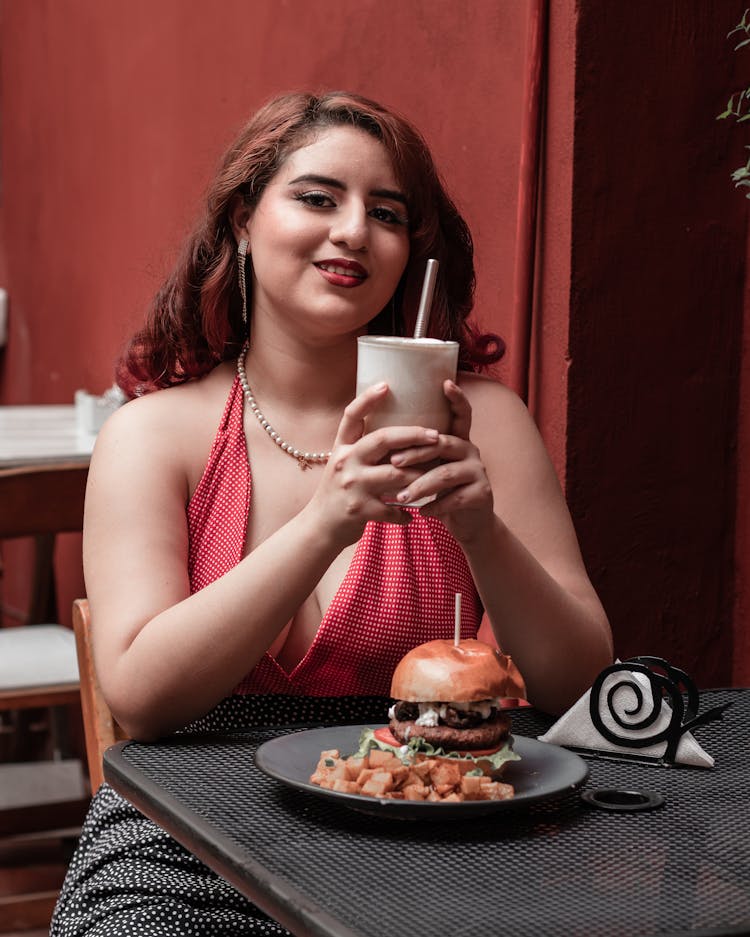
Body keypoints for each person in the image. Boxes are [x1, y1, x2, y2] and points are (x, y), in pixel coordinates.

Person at [51, 90, 612, 935]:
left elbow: (578, 683)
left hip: (444, 826)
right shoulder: (152, 435)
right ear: (242, 218)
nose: (353, 231)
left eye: (385, 213)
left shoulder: (485, 421)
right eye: (317, 197)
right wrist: (326, 519)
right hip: (187, 837)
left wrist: (480, 529)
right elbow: (142, 698)